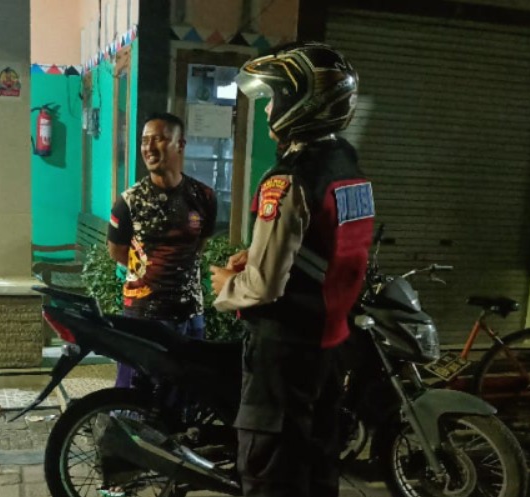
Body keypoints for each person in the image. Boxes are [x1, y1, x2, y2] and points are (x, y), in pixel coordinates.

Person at [209, 42, 375, 497]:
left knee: (271, 473)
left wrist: (228, 283)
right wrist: (259, 255)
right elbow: (333, 246)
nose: (267, 110)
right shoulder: (347, 165)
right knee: (317, 471)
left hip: (284, 355)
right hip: (330, 345)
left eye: (272, 98)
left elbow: (263, 286)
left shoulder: (289, 178)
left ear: (300, 103)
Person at [107, 112, 217, 388]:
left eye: (158, 139)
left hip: (191, 312)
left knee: (186, 392)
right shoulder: (129, 202)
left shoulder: (203, 197)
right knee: (136, 395)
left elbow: (198, 245)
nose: (149, 147)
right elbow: (117, 251)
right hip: (143, 314)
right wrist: (151, 273)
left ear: (180, 144)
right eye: (145, 140)